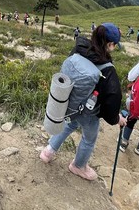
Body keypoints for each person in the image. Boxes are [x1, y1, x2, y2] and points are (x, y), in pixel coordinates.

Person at [39, 23, 127, 181]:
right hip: (89, 112)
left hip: (71, 104)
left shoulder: (79, 49)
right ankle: (78, 166)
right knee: (89, 138)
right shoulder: (108, 70)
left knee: (69, 125)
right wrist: (116, 119)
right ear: (109, 44)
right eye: (114, 45)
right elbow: (111, 102)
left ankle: (48, 151)